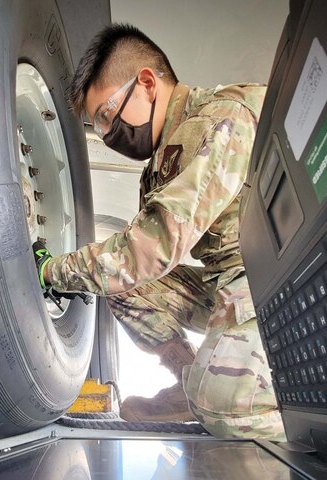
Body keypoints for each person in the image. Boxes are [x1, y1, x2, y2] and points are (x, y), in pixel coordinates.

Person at [33, 24, 284, 440]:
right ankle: (189, 383)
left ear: (146, 83)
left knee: (224, 405)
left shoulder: (218, 122)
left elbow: (147, 250)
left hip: (274, 273)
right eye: (99, 127)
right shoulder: (158, 166)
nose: (109, 135)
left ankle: (303, 417)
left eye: (108, 116)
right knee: (121, 287)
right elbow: (132, 268)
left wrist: (51, 272)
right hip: (228, 281)